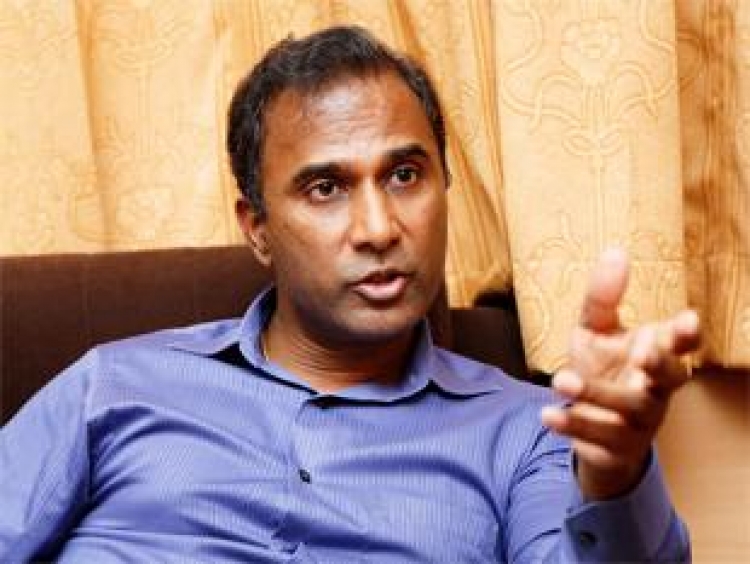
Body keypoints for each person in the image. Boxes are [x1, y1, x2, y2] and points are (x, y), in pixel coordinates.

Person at [0, 25, 699, 563]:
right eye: (325, 188)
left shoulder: (530, 432)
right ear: (258, 229)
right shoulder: (112, 388)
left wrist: (615, 473)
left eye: (404, 175)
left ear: (445, 190)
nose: (378, 228)